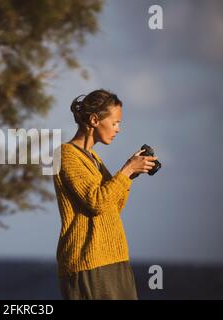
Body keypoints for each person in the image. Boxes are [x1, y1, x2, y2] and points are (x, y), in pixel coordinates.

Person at [53, 89, 158, 300]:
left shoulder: (94, 159)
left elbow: (113, 206)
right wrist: (126, 170)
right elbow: (96, 203)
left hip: (113, 258)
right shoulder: (65, 155)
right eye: (115, 122)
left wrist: (129, 176)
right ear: (94, 120)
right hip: (88, 262)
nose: (118, 129)